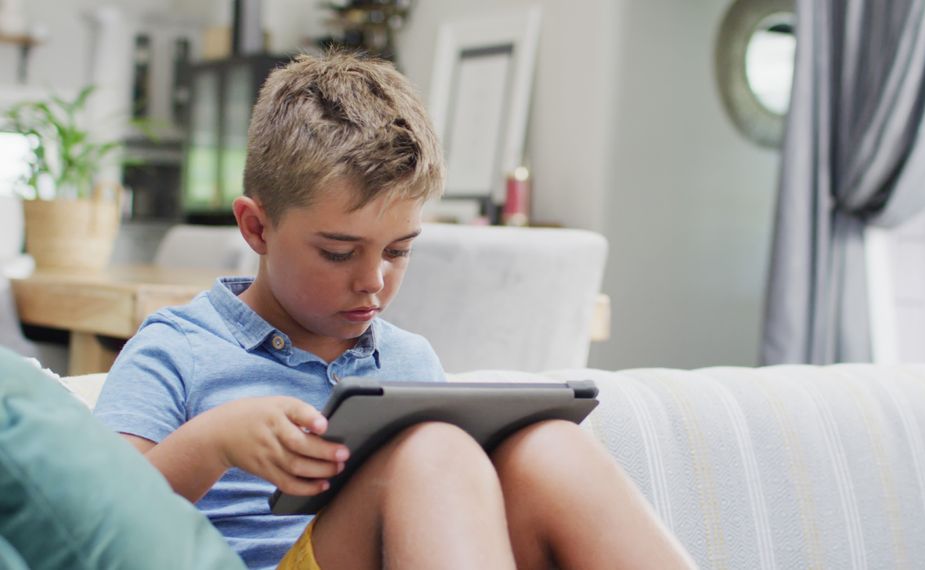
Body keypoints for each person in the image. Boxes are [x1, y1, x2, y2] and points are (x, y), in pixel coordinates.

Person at [94, 52, 695, 570]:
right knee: (431, 448)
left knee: (550, 445)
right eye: (337, 252)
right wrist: (213, 442)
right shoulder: (178, 346)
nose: (373, 281)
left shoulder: (409, 359)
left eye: (399, 251)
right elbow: (95, 525)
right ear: (256, 226)